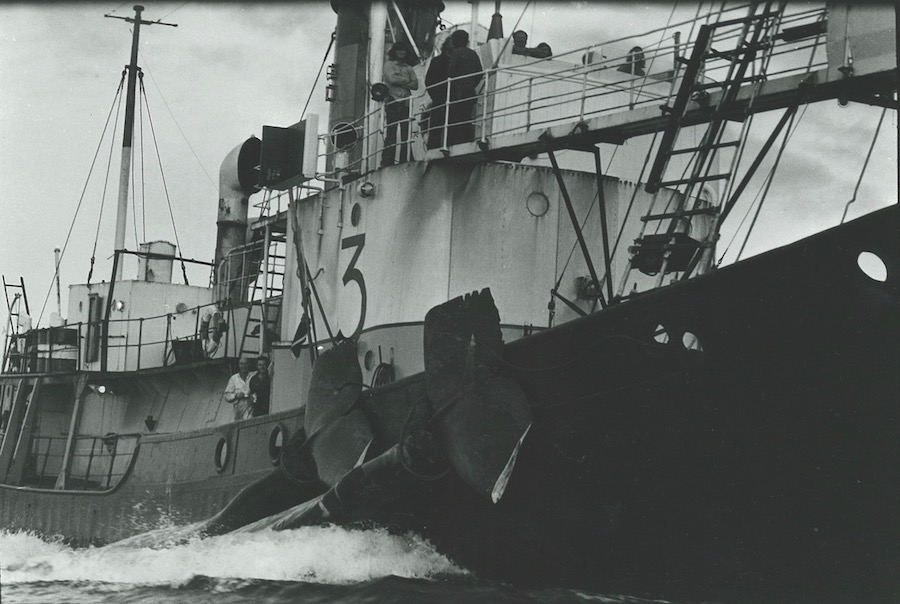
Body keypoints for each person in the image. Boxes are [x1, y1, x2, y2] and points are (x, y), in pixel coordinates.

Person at [382, 41, 419, 166]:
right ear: (395, 52)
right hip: (393, 100)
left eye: (404, 50)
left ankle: (405, 158)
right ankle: (387, 160)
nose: (402, 52)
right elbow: (391, 79)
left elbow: (415, 85)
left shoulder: (409, 68)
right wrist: (406, 80)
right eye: (399, 50)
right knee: (391, 132)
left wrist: (400, 81)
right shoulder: (389, 65)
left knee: (406, 132)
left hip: (406, 102)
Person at [447, 29, 483, 145]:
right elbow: (480, 72)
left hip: (458, 91)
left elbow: (451, 72)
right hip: (470, 91)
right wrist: (471, 83)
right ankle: (467, 142)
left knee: (455, 118)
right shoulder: (473, 53)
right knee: (466, 118)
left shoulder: (456, 53)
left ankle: (455, 143)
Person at [424, 37, 453, 149]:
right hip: (440, 97)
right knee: (437, 124)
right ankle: (434, 148)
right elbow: (429, 81)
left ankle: (444, 147)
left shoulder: (453, 60)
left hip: (449, 97)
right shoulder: (437, 61)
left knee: (448, 124)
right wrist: (436, 96)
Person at [224, 356, 253, 421]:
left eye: (246, 364)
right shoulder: (234, 378)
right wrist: (236, 395)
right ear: (239, 365)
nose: (244, 366)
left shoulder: (253, 375)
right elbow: (226, 395)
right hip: (239, 411)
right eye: (242, 364)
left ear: (249, 365)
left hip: (252, 409)